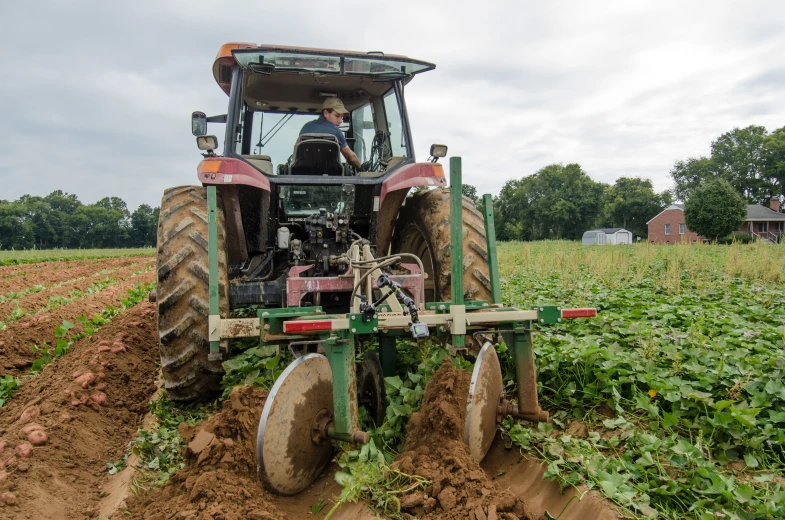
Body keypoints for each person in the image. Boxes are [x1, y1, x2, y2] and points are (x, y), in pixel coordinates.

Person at [299, 97, 363, 170]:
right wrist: (362, 169)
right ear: (326, 113)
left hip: (304, 175)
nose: (340, 121)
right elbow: (352, 158)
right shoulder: (336, 132)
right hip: (330, 177)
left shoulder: (306, 127)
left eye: (341, 117)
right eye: (337, 116)